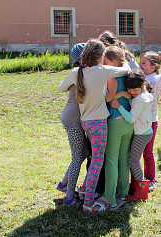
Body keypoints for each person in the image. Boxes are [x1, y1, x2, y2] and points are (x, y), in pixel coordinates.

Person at [58, 39, 130, 212]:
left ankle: (85, 193)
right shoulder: (102, 71)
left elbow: (61, 88)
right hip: (99, 123)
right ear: (101, 56)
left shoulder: (78, 72)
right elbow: (125, 70)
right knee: (97, 162)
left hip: (85, 122)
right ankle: (89, 202)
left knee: (93, 159)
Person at [56, 43, 92, 206]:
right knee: (78, 155)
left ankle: (64, 183)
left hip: (75, 117)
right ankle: (69, 195)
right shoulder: (79, 72)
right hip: (73, 119)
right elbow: (60, 88)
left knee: (83, 152)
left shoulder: (82, 72)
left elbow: (61, 88)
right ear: (82, 58)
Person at [111, 70, 154, 201]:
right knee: (134, 160)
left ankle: (142, 190)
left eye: (135, 90)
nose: (132, 92)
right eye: (130, 89)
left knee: (133, 161)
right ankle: (139, 188)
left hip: (142, 134)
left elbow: (131, 119)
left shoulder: (139, 100)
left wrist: (119, 106)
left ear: (141, 86)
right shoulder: (143, 95)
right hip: (145, 132)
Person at [102, 46, 134, 208]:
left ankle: (110, 198)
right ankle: (123, 192)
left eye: (105, 61)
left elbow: (108, 98)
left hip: (115, 122)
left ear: (114, 61)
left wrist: (114, 95)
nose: (103, 63)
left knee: (112, 160)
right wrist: (122, 95)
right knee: (123, 159)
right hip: (128, 122)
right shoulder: (127, 73)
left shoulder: (112, 76)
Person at [139, 51, 161, 192]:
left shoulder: (156, 81)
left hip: (150, 122)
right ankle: (138, 177)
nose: (140, 65)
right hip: (134, 120)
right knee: (134, 153)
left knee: (147, 152)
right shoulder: (136, 77)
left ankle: (150, 179)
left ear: (152, 67)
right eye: (140, 62)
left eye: (143, 63)